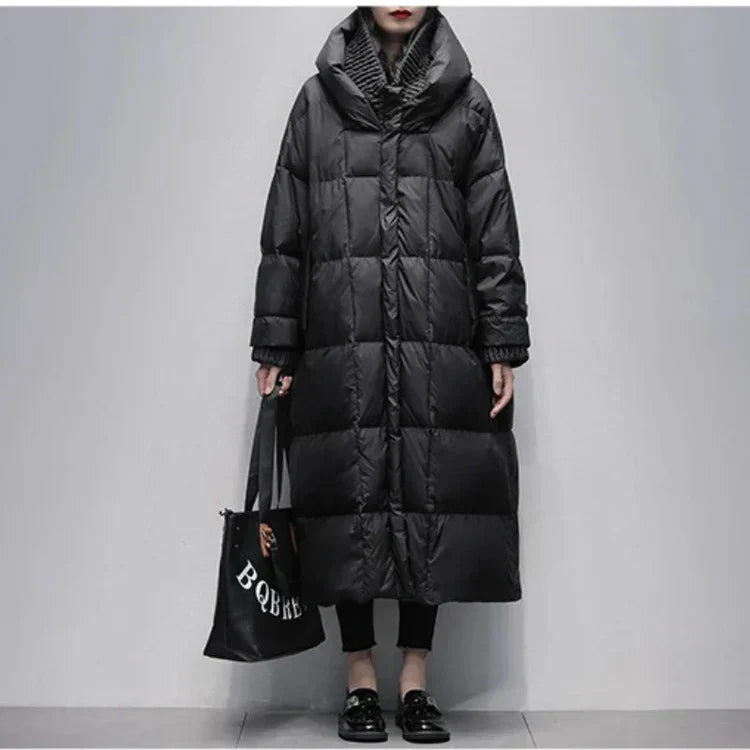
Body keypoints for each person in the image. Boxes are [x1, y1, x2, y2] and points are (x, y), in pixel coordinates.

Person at [249, 5, 530, 743]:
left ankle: (414, 681)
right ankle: (360, 682)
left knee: (427, 497)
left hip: (441, 339)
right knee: (350, 500)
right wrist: (276, 343)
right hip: (341, 338)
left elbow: (494, 233)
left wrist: (501, 340)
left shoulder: (468, 103)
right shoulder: (316, 103)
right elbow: (285, 234)